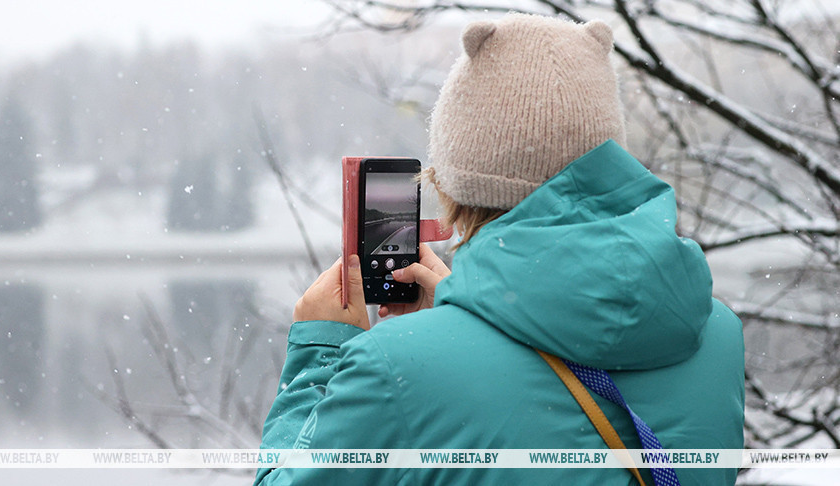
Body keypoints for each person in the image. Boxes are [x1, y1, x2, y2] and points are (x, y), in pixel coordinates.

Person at [253, 13, 744, 485]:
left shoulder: (394, 368)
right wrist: (468, 314)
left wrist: (320, 351)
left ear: (456, 182)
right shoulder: (717, 335)